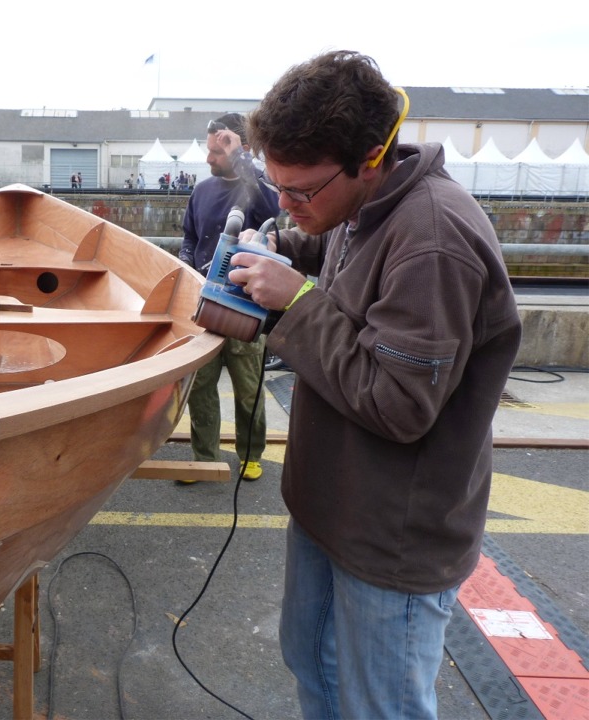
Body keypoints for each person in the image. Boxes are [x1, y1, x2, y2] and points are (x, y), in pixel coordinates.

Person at [227, 50, 522, 719]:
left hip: (393, 537)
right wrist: (288, 241)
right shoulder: (360, 207)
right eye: (277, 187)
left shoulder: (434, 240)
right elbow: (344, 258)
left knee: (380, 707)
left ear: (369, 157)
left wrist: (296, 303)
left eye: (300, 192)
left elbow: (399, 403)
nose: (286, 202)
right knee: (316, 669)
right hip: (331, 511)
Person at [178, 112, 280, 481]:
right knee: (200, 387)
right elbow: (189, 238)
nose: (208, 159)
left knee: (248, 388)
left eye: (216, 153)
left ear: (240, 149)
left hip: (246, 305)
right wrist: (187, 267)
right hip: (205, 305)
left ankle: (251, 453)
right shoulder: (202, 190)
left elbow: (276, 209)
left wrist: (243, 158)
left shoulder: (256, 188)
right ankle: (203, 457)